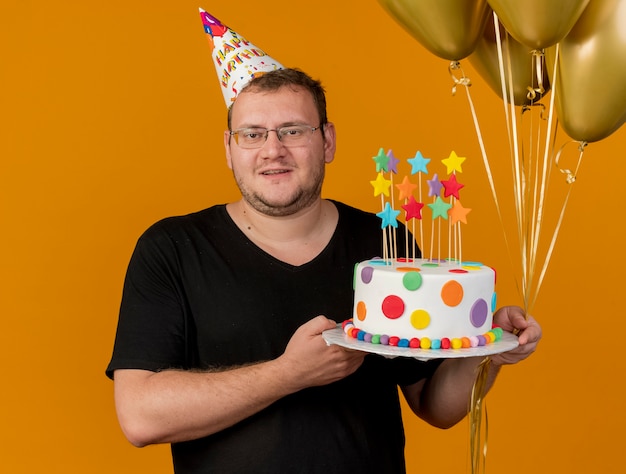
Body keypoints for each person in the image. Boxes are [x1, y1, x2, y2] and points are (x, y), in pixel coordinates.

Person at [106, 68, 541, 473]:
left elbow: (434, 404)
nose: (272, 149)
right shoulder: (172, 249)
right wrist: (288, 374)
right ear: (229, 148)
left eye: (293, 130)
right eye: (252, 134)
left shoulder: (384, 245)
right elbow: (141, 418)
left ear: (327, 140)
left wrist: (487, 351)